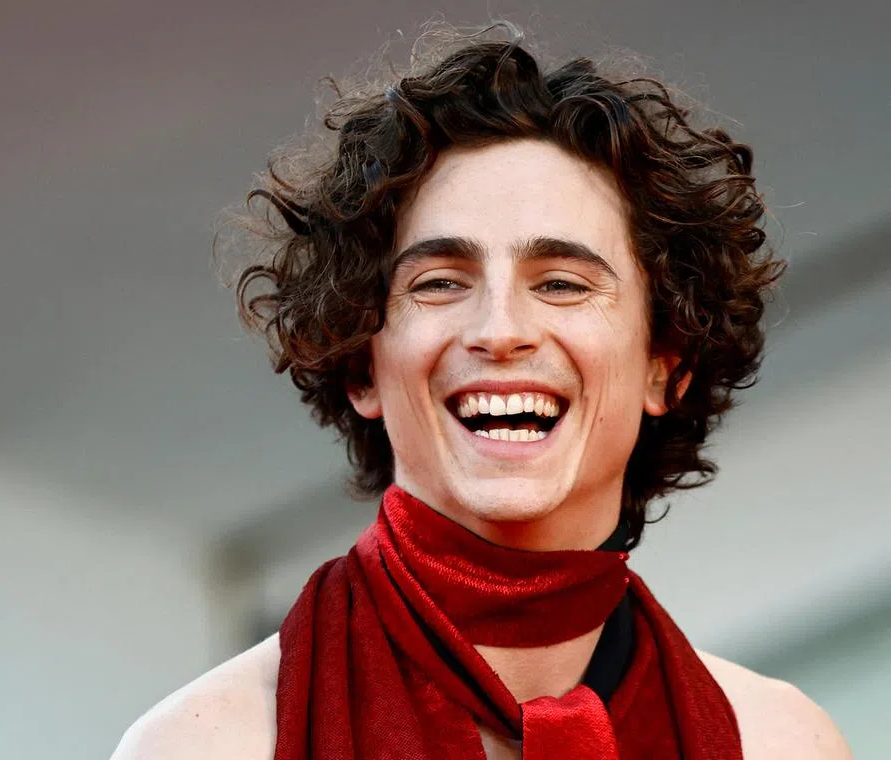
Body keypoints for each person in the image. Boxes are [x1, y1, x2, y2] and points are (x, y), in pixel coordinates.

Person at [114, 25, 851, 760]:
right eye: (440, 283)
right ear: (362, 365)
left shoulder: (782, 743)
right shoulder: (203, 745)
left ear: (665, 364)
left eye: (562, 283)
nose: (500, 330)